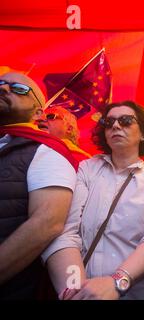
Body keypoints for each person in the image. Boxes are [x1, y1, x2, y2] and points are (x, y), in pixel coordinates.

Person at [43, 100, 144, 299]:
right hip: (86, 288)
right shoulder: (87, 169)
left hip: (141, 294)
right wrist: (75, 290)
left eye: (126, 121)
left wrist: (117, 281)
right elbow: (67, 231)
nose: (116, 125)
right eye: (109, 122)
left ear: (142, 133)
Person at [0, 72, 77, 299]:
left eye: (19, 89)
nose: (4, 89)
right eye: (1, 84)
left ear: (37, 113)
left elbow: (47, 224)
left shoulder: (45, 151)